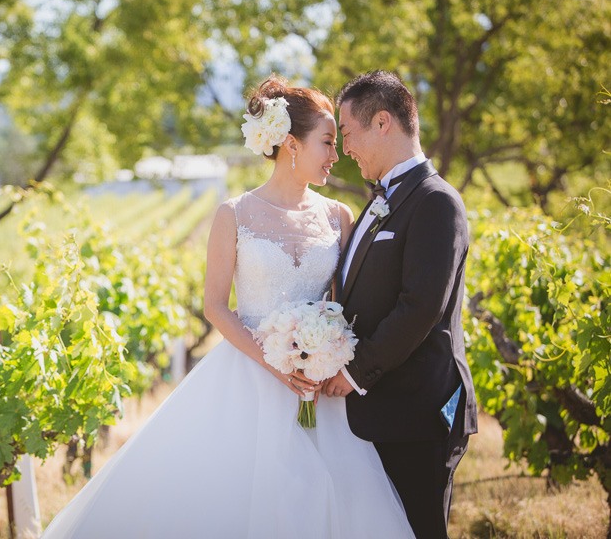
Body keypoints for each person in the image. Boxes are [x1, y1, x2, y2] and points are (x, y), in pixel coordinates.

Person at [39, 74, 415, 538]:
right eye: (327, 142)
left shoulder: (338, 216)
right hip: (247, 376)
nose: (336, 155)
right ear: (290, 144)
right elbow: (215, 306)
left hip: (319, 389)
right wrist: (272, 362)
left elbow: (343, 302)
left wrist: (327, 353)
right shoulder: (233, 214)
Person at [319, 70, 478, 538]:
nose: (345, 148)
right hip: (378, 413)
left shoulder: (436, 202)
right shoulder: (380, 199)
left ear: (382, 122)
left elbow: (420, 307)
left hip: (418, 413)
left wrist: (352, 370)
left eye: (347, 133)